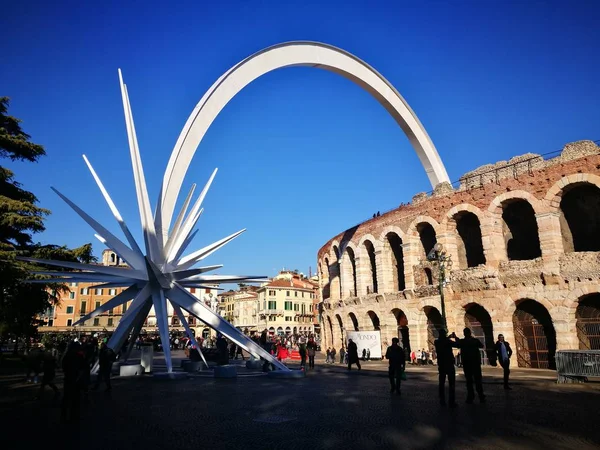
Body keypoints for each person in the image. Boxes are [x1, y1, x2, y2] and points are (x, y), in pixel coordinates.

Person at [454, 328, 486, 404]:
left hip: (467, 363)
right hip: (475, 363)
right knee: (478, 380)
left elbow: (458, 343)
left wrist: (455, 337)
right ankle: (481, 396)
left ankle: (470, 397)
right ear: (470, 333)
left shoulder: (463, 342)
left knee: (469, 381)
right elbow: (481, 345)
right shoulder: (475, 341)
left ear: (464, 333)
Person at [434, 329, 457, 408]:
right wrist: (455, 337)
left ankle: (442, 400)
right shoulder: (448, 342)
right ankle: (451, 401)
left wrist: (448, 337)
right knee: (452, 384)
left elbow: (442, 341)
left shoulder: (436, 342)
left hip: (441, 365)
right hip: (449, 364)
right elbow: (457, 344)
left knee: (441, 383)